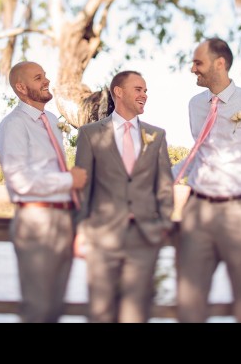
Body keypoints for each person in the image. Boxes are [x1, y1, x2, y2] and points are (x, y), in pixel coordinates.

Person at [173, 37, 241, 323]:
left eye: (198, 62)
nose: (193, 69)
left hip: (239, 212)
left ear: (220, 63)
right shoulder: (195, 104)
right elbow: (198, 152)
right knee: (189, 300)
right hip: (197, 211)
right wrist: (159, 175)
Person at [74, 70, 174, 323]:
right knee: (100, 311)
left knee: (136, 313)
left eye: (145, 90)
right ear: (118, 92)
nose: (144, 95)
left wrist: (163, 222)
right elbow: (83, 188)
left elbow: (164, 184)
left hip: (144, 236)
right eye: (138, 89)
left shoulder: (157, 135)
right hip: (102, 237)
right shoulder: (90, 134)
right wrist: (81, 231)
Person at [0, 61, 87, 323]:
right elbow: (19, 181)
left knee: (56, 306)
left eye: (45, 75)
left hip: (62, 219)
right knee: (38, 307)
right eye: (38, 78)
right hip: (36, 222)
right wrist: (67, 180)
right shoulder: (13, 125)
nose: (47, 81)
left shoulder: (52, 120)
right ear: (21, 87)